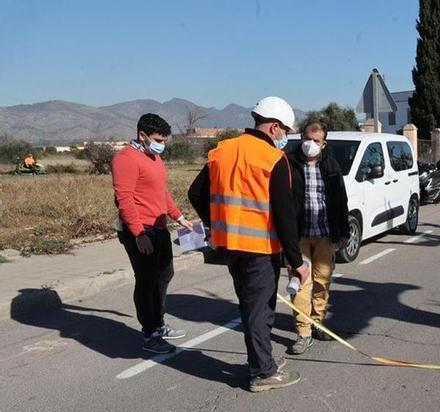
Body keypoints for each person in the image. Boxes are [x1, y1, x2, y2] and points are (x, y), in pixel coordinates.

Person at [188, 96, 308, 393]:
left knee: (249, 306)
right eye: (285, 131)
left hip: (229, 245)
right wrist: (297, 261)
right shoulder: (273, 159)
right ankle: (263, 372)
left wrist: (216, 223)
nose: (285, 138)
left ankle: (262, 359)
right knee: (260, 310)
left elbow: (196, 193)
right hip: (260, 250)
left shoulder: (223, 150)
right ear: (274, 128)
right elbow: (284, 215)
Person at [111, 113, 193, 354]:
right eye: (158, 139)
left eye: (165, 141)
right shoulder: (125, 159)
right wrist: (138, 233)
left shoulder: (154, 157)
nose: (162, 145)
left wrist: (179, 217)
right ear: (142, 135)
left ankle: (158, 323)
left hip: (158, 226)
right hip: (141, 230)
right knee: (147, 281)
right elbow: (124, 199)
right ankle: (150, 334)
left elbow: (161, 192)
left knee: (164, 274)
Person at [287, 121, 349, 355]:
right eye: (306, 139)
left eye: (315, 141)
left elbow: (340, 200)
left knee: (322, 281)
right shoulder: (290, 163)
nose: (309, 144)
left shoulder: (331, 165)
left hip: (324, 234)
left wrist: (342, 232)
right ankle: (303, 332)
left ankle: (317, 322)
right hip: (299, 235)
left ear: (324, 144)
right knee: (301, 284)